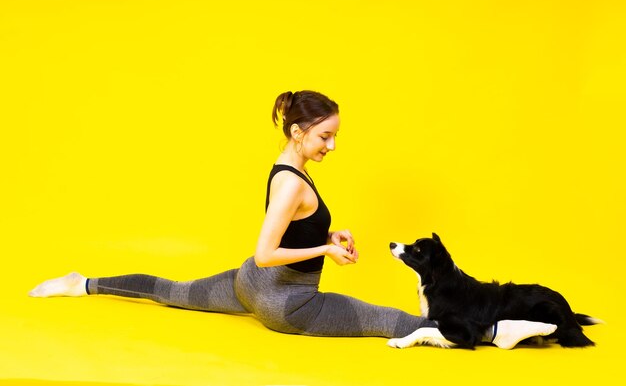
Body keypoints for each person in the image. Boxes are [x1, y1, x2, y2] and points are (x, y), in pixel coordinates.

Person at [29, 90, 556, 349]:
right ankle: (494, 332)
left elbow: (276, 241)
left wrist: (327, 233)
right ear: (299, 130)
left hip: (247, 285)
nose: (331, 145)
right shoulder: (291, 181)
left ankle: (85, 284)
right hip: (288, 305)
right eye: (325, 135)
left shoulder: (287, 169)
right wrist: (326, 252)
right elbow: (267, 250)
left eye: (335, 136)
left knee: (173, 289)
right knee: (389, 321)